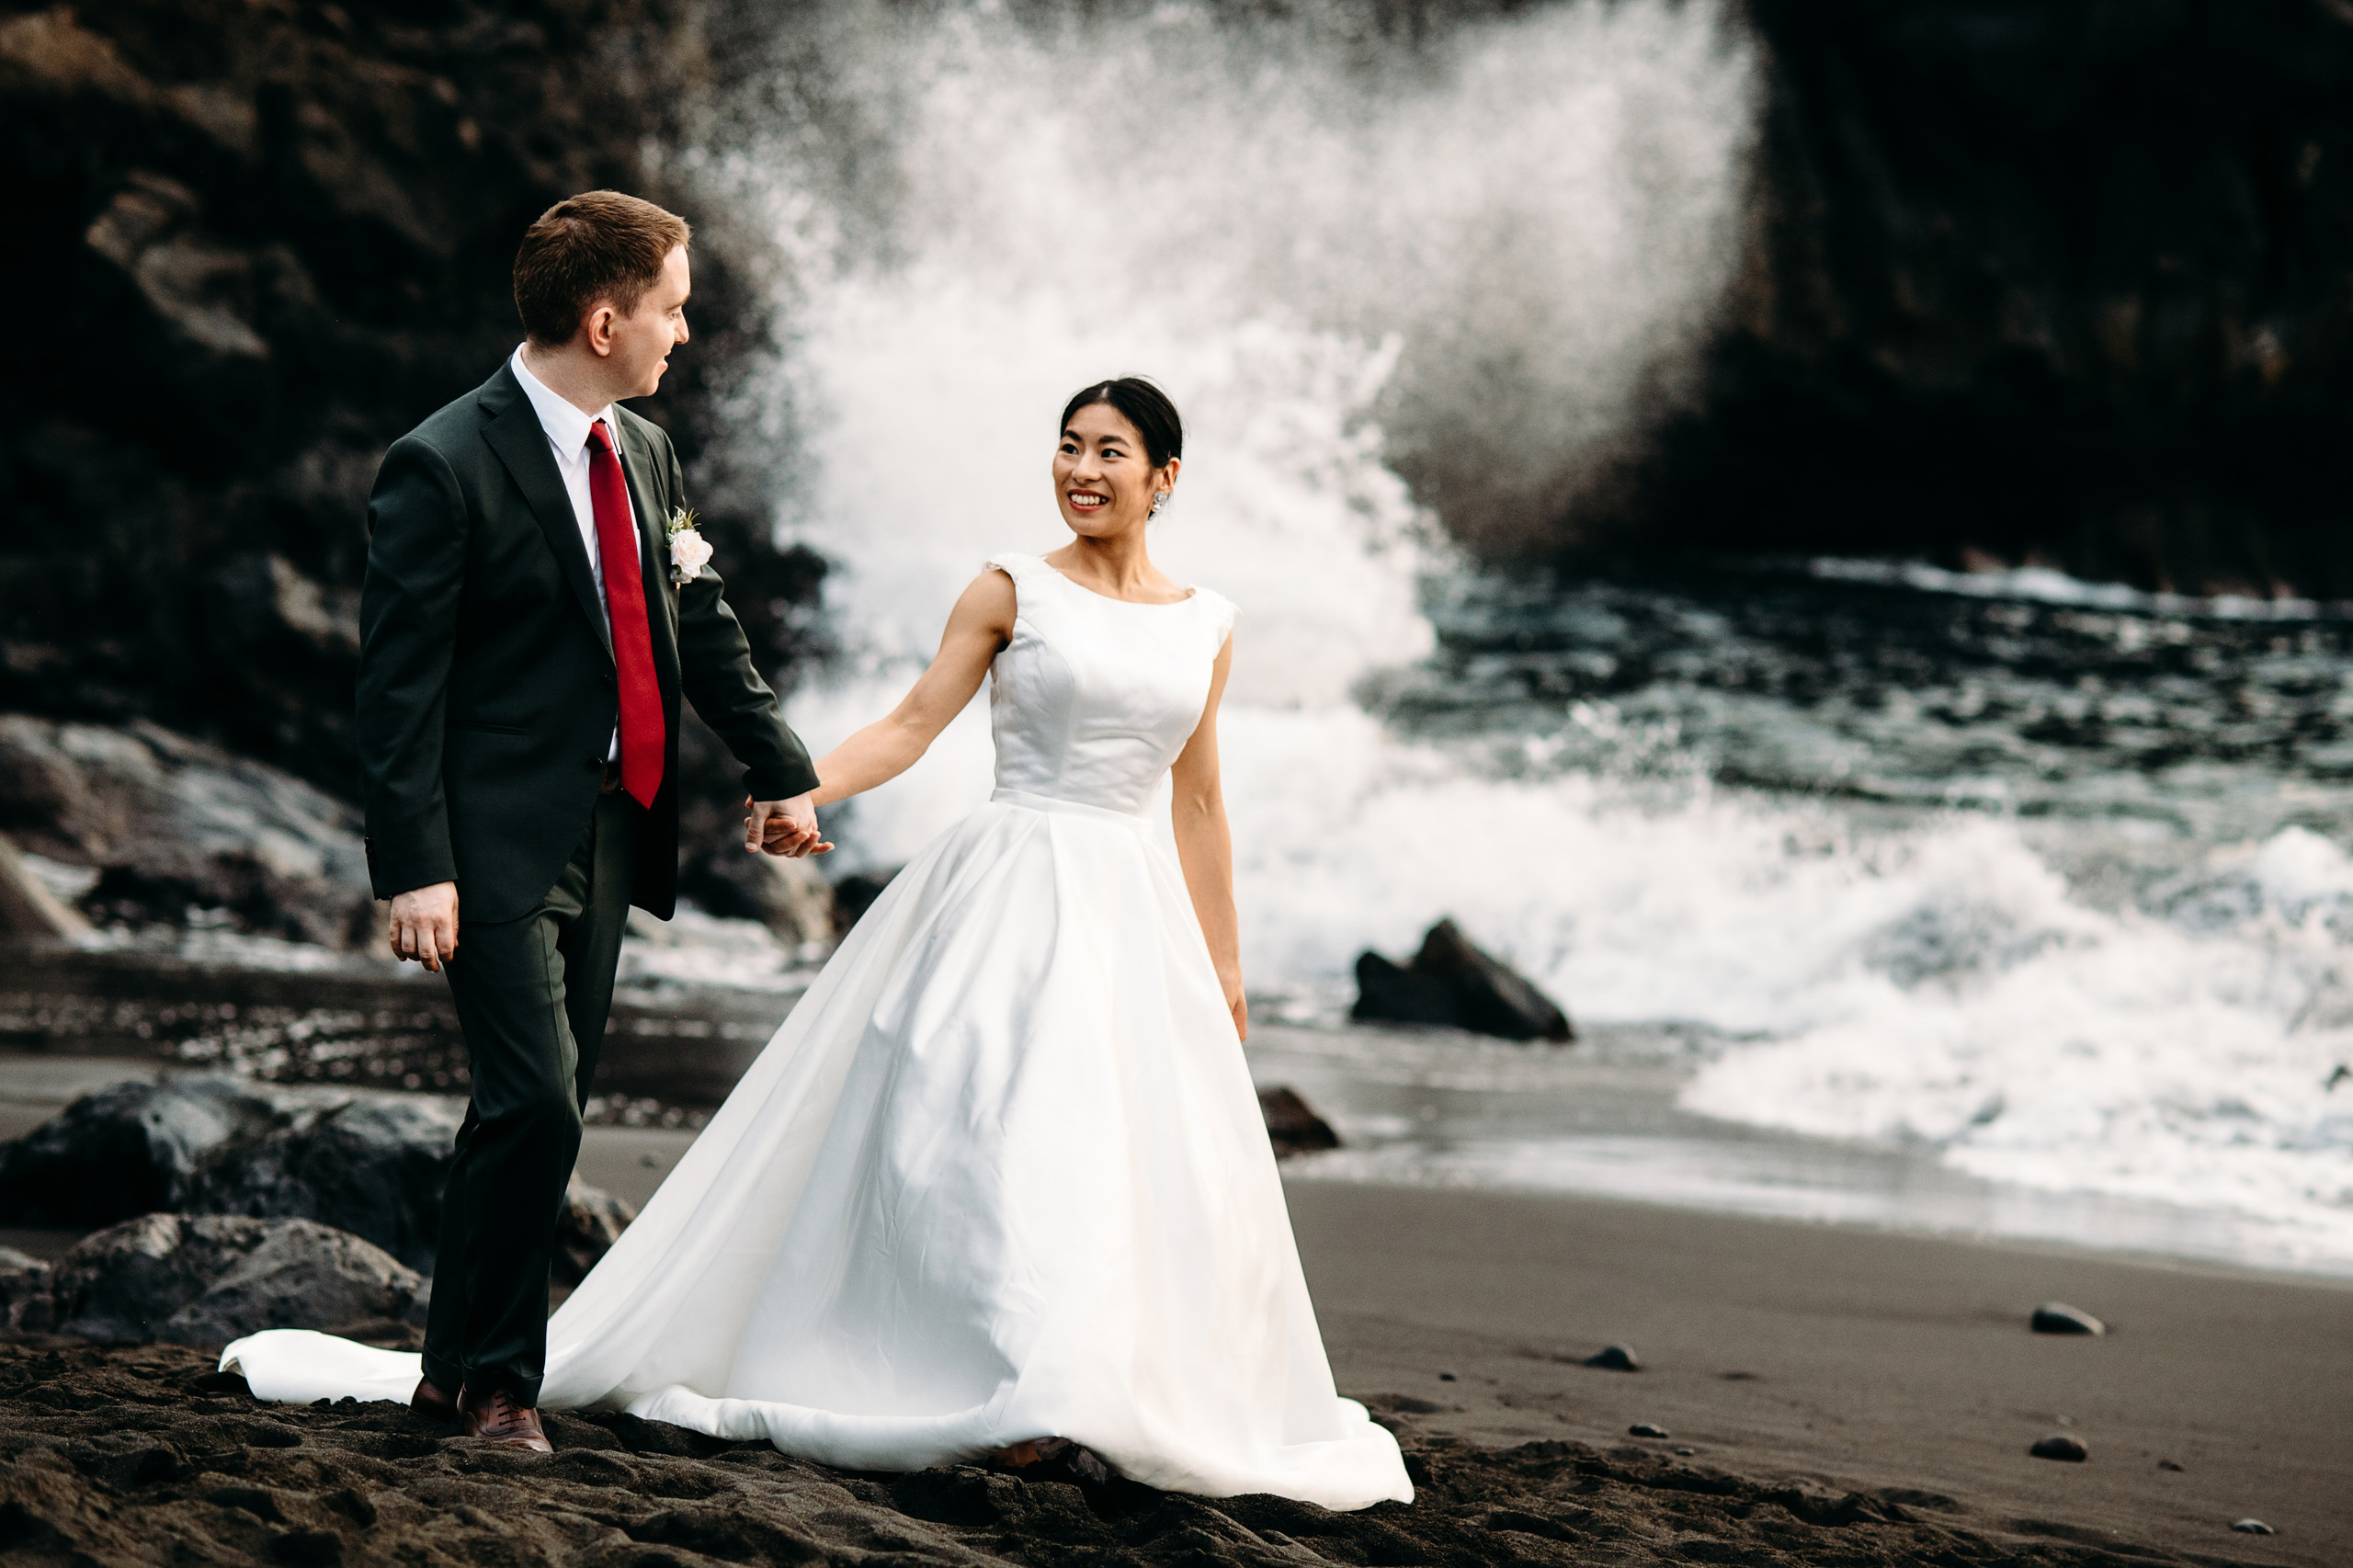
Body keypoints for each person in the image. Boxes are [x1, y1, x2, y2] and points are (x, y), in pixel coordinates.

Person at [227, 376, 1414, 1512]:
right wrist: (801, 789)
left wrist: (1225, 960)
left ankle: (1103, 1374)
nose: (1081, 469)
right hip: (1011, 887)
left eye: (1110, 452)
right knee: (1009, 1130)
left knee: (1128, 1149)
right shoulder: (1011, 590)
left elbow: (1199, 802)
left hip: (1135, 910)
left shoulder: (1206, 624)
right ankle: (1013, 1386)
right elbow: (912, 722)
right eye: (1069, 445)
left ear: (1166, 477)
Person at [351, 190, 826, 1455]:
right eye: (673, 308)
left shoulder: (646, 452)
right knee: (541, 1107)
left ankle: (448, 1371)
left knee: (523, 1111)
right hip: (490, 844)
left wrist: (780, 764)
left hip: (615, 833)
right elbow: (396, 691)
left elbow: (699, 620)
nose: (686, 330)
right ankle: (504, 1386)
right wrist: (414, 866)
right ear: (604, 321)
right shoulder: (442, 462)